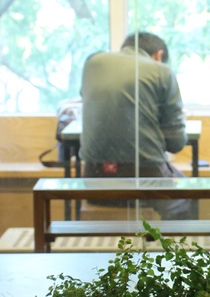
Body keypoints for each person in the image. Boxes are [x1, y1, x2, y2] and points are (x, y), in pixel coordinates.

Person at [80, 31, 190, 219]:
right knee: (190, 194)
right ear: (159, 55)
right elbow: (176, 143)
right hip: (143, 179)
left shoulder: (93, 62)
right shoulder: (161, 71)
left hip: (94, 181)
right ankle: (171, 239)